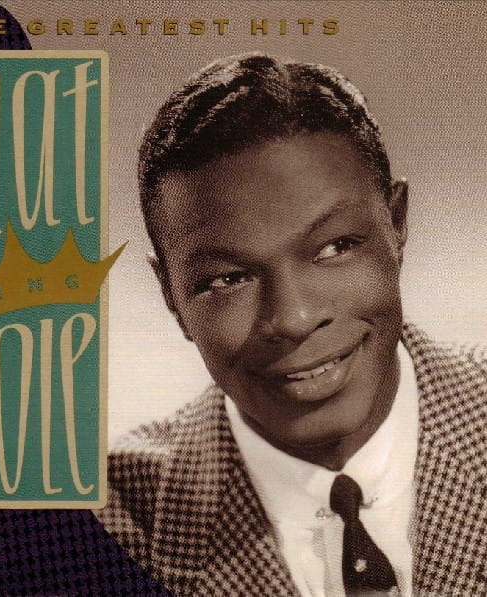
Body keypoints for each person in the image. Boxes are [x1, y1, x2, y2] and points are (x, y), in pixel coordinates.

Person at [96, 53, 487, 596]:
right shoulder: (99, 529)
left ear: (396, 225)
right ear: (171, 297)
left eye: (335, 247)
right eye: (227, 280)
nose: (294, 318)